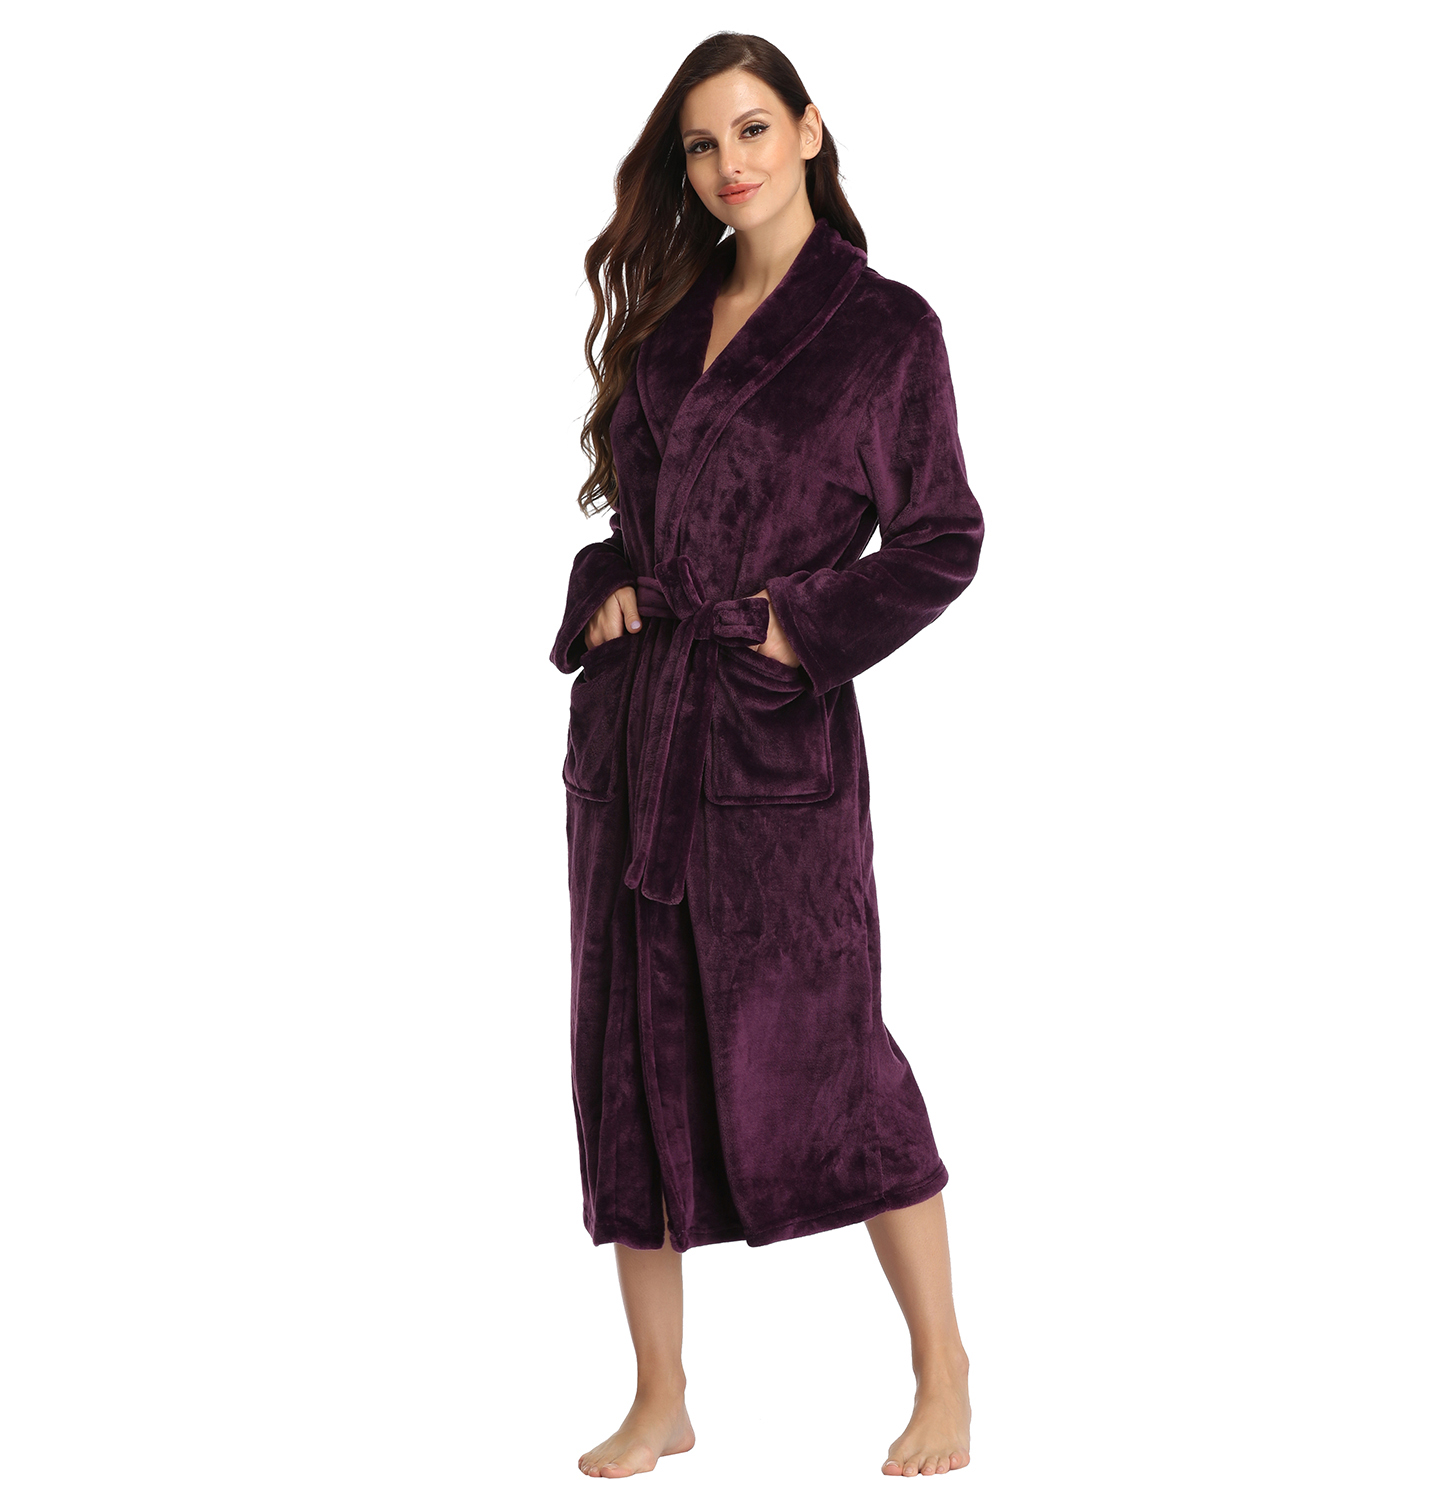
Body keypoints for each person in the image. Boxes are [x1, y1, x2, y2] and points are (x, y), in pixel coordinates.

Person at [550, 32, 984, 1480]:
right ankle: (660, 1394)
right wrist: (605, 590)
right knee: (629, 1055)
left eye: (751, 129)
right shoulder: (670, 326)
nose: (728, 163)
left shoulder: (884, 331)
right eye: (700, 144)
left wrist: (802, 630)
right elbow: (632, 529)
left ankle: (944, 1367)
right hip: (636, 743)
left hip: (768, 748)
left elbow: (943, 536)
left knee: (837, 1055)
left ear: (808, 130)